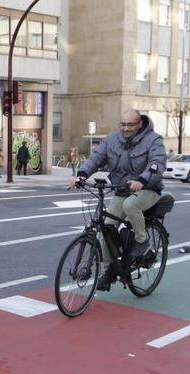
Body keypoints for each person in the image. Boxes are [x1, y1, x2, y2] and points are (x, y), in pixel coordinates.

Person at [67, 109, 167, 291]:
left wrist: (143, 179)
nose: (126, 128)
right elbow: (96, 158)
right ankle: (109, 271)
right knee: (106, 228)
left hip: (148, 189)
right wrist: (81, 175)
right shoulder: (112, 139)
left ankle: (142, 240)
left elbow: (157, 163)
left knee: (131, 205)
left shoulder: (153, 140)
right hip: (120, 190)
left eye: (130, 125)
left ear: (140, 124)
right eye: (123, 124)